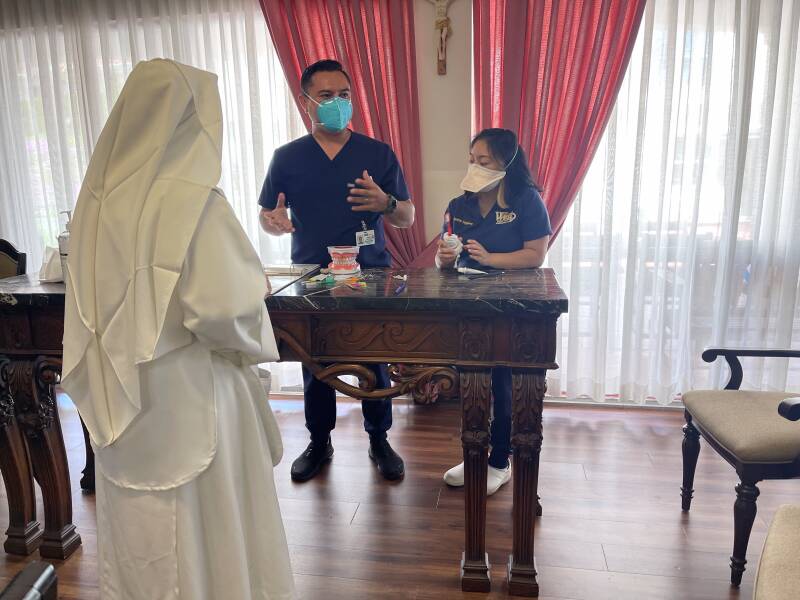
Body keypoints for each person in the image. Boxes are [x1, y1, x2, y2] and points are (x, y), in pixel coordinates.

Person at [61, 59, 294, 599]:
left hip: (126, 393)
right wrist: (251, 303)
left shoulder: (98, 200)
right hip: (196, 387)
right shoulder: (195, 201)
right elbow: (221, 309)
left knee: (141, 529)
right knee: (208, 525)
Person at [258, 59, 415, 483]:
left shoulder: (377, 153)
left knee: (374, 359)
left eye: (343, 94)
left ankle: (379, 439)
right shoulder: (287, 158)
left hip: (370, 275)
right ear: (306, 103)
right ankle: (319, 441)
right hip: (312, 276)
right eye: (325, 95)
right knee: (316, 362)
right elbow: (268, 215)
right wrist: (273, 221)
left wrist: (386, 203)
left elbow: (407, 217)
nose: (337, 103)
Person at [436, 128, 551, 495]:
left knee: (502, 384)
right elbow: (447, 257)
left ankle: (500, 461)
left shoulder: (526, 200)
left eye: (483, 160)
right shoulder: (460, 205)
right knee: (472, 383)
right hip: (469, 306)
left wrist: (490, 259)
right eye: (472, 160)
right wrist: (444, 258)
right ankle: (474, 455)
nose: (475, 166)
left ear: (506, 162)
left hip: (511, 306)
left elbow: (535, 255)